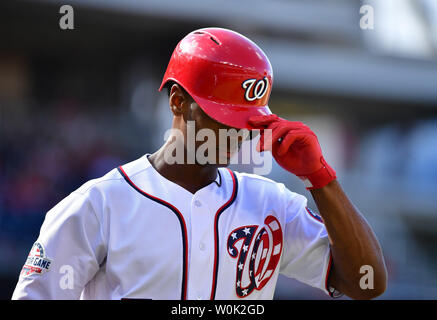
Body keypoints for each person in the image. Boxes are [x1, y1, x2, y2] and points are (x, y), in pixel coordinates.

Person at [12, 28, 386, 300]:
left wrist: (320, 177)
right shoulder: (98, 204)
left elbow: (366, 283)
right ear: (177, 101)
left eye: (248, 121)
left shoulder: (273, 203)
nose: (237, 133)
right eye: (222, 116)